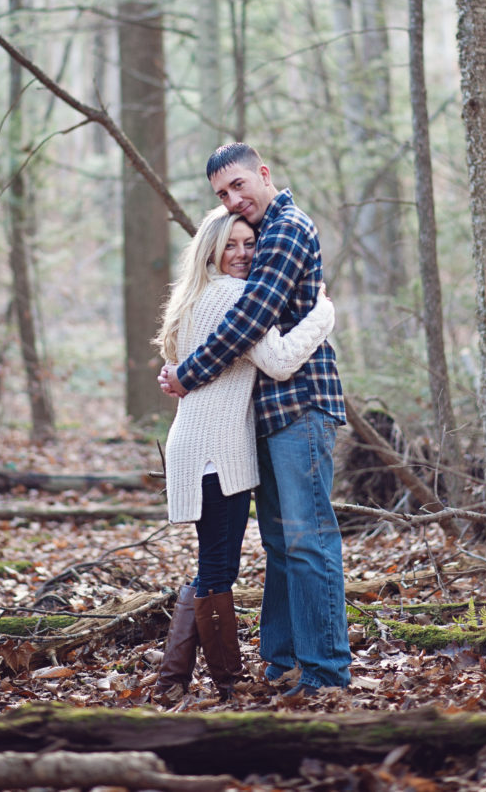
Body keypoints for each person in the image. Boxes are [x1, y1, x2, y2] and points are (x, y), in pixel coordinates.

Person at [159, 143, 351, 697]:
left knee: (308, 541)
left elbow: (253, 320)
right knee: (280, 543)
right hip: (263, 415)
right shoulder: (258, 236)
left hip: (300, 404)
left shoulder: (287, 228)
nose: (234, 200)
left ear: (264, 175)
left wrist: (187, 373)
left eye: (240, 185)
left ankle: (324, 673)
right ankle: (283, 661)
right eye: (222, 195)